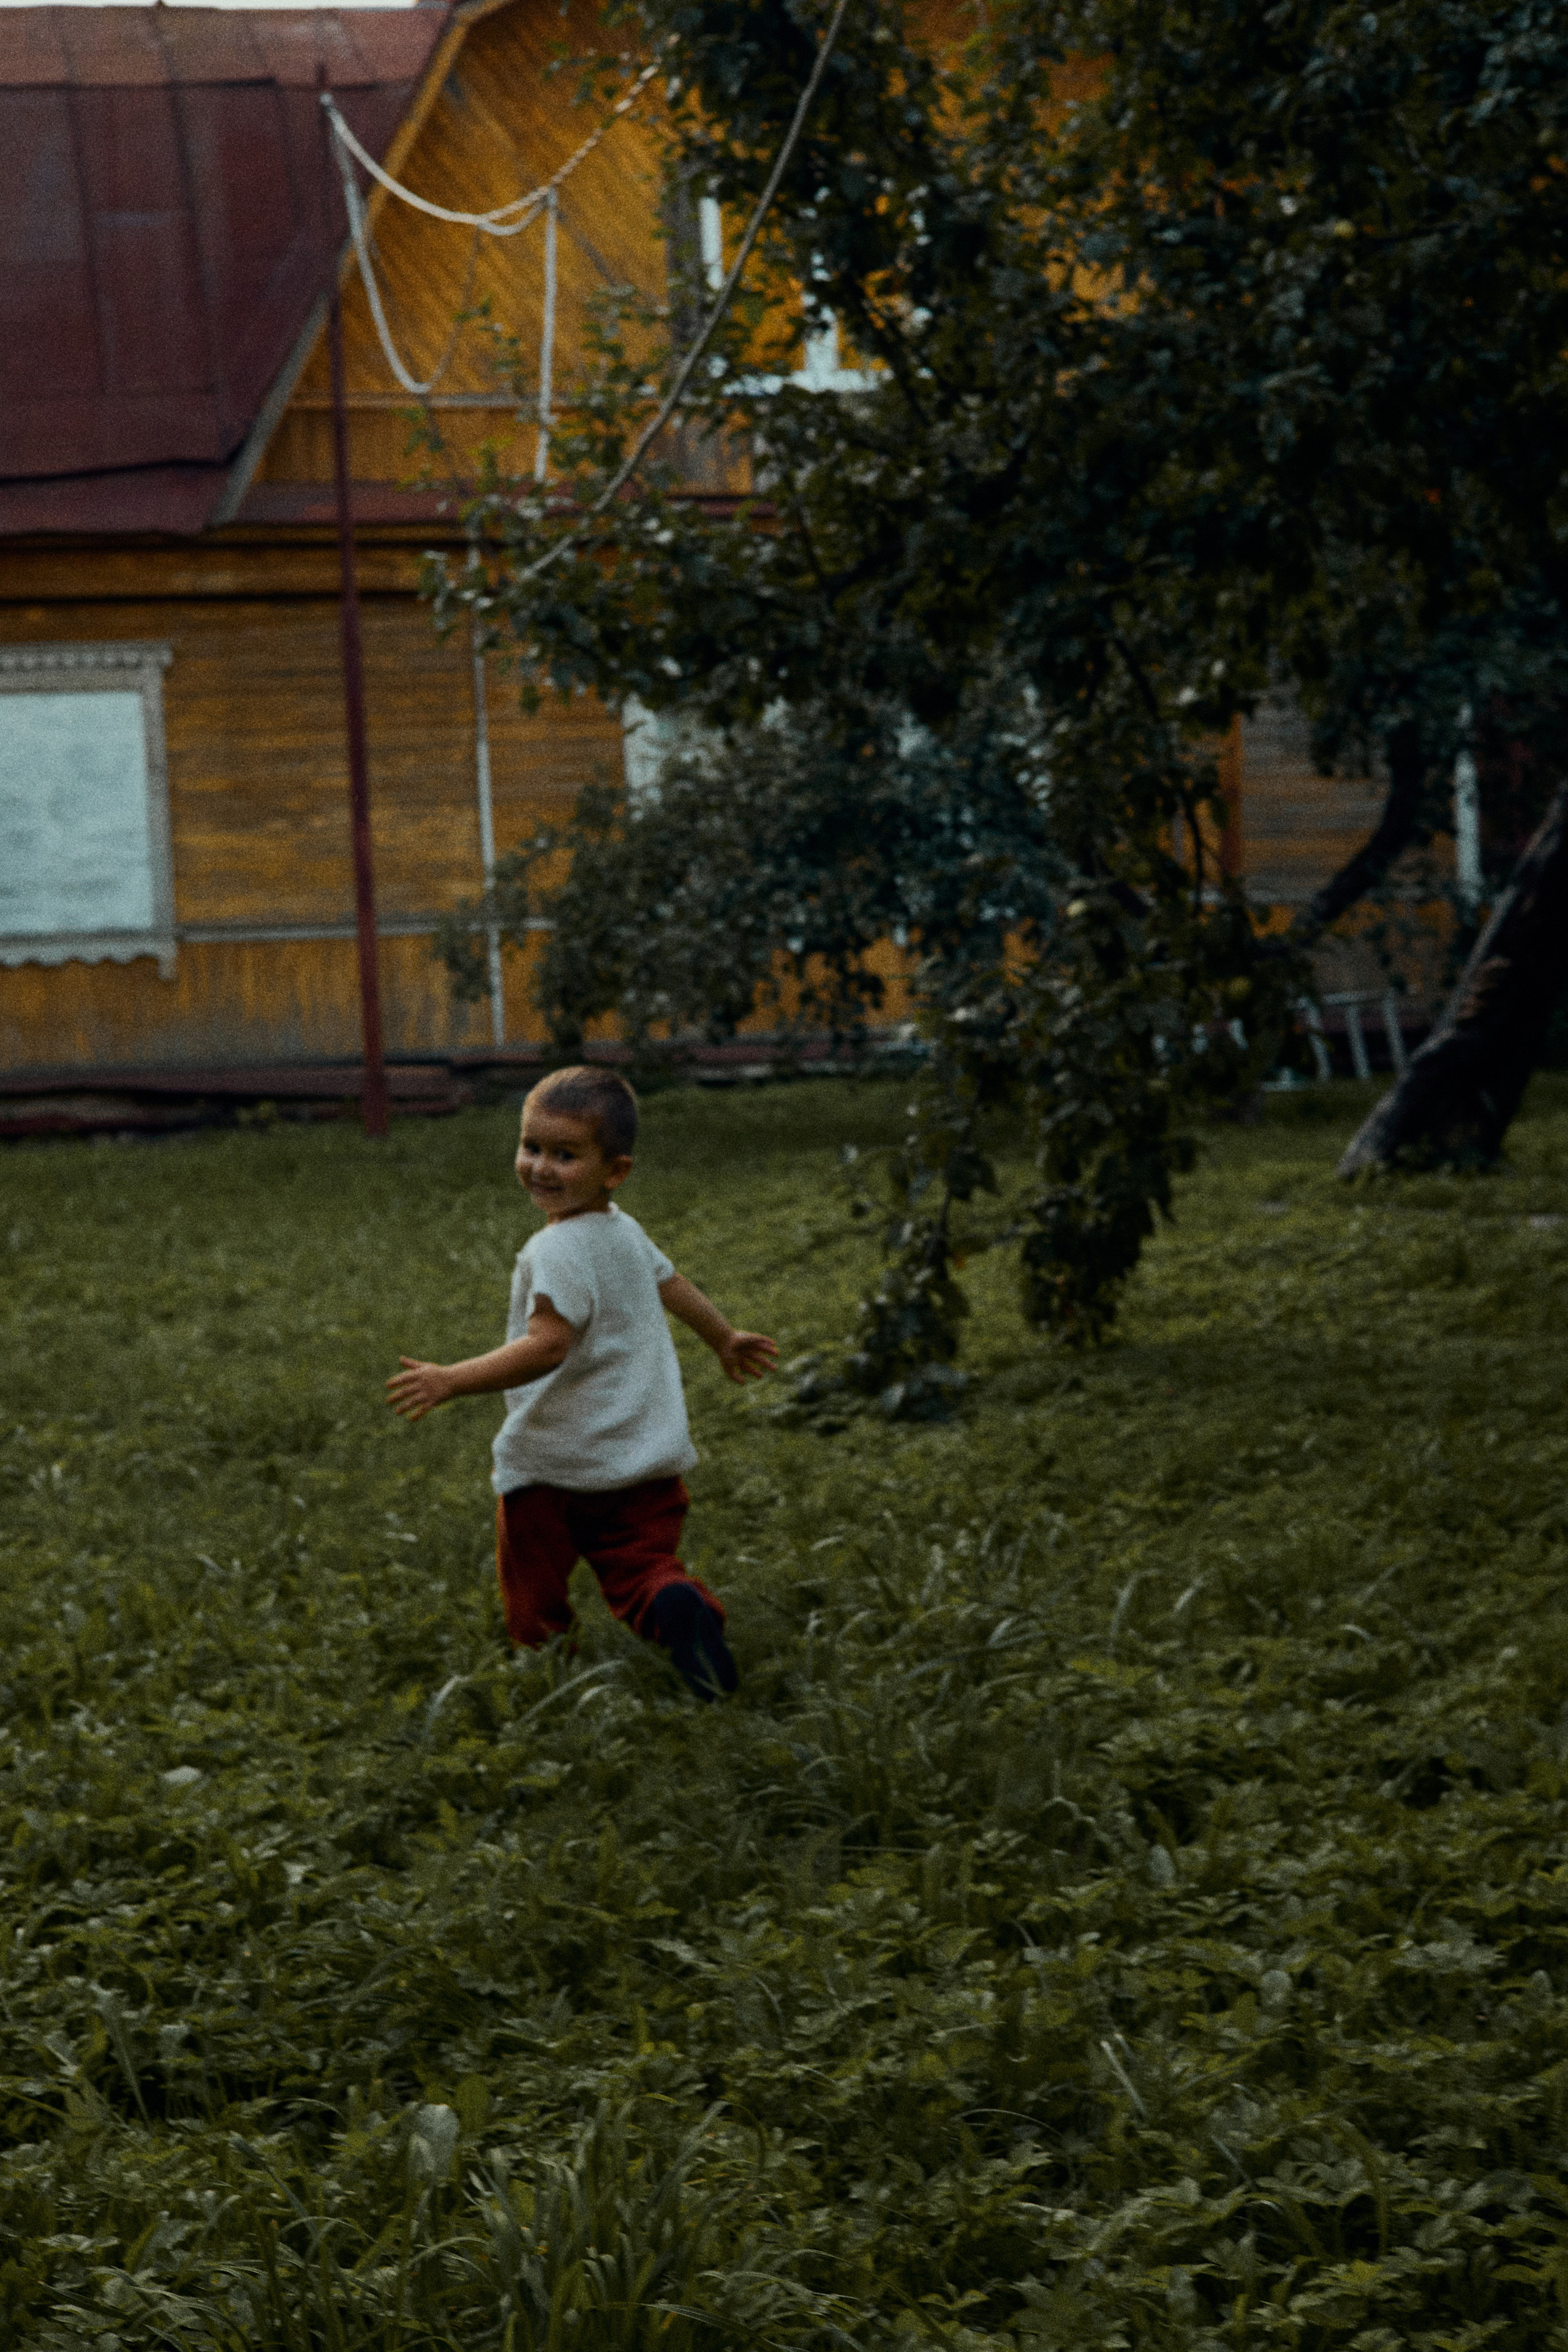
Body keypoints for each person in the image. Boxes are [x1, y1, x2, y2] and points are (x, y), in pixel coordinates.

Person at [386, 1066, 777, 1698]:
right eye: (531, 1147)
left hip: (554, 1466)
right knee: (642, 1566)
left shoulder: (556, 1250)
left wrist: (453, 1379)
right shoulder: (624, 1231)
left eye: (564, 1155)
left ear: (614, 1170)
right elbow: (672, 1283)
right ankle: (672, 1602)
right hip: (642, 1461)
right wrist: (723, 1338)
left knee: (532, 1574)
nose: (541, 1167)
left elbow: (547, 1346)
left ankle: (544, 1663)